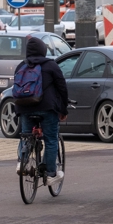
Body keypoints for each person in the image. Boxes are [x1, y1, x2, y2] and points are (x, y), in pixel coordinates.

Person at [15, 35, 69, 180]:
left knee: (26, 136)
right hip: (47, 108)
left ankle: (22, 161)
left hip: (24, 107)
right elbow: (62, 88)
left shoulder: (21, 66)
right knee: (51, 139)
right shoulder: (51, 65)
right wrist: (63, 109)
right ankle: (51, 174)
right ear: (43, 50)